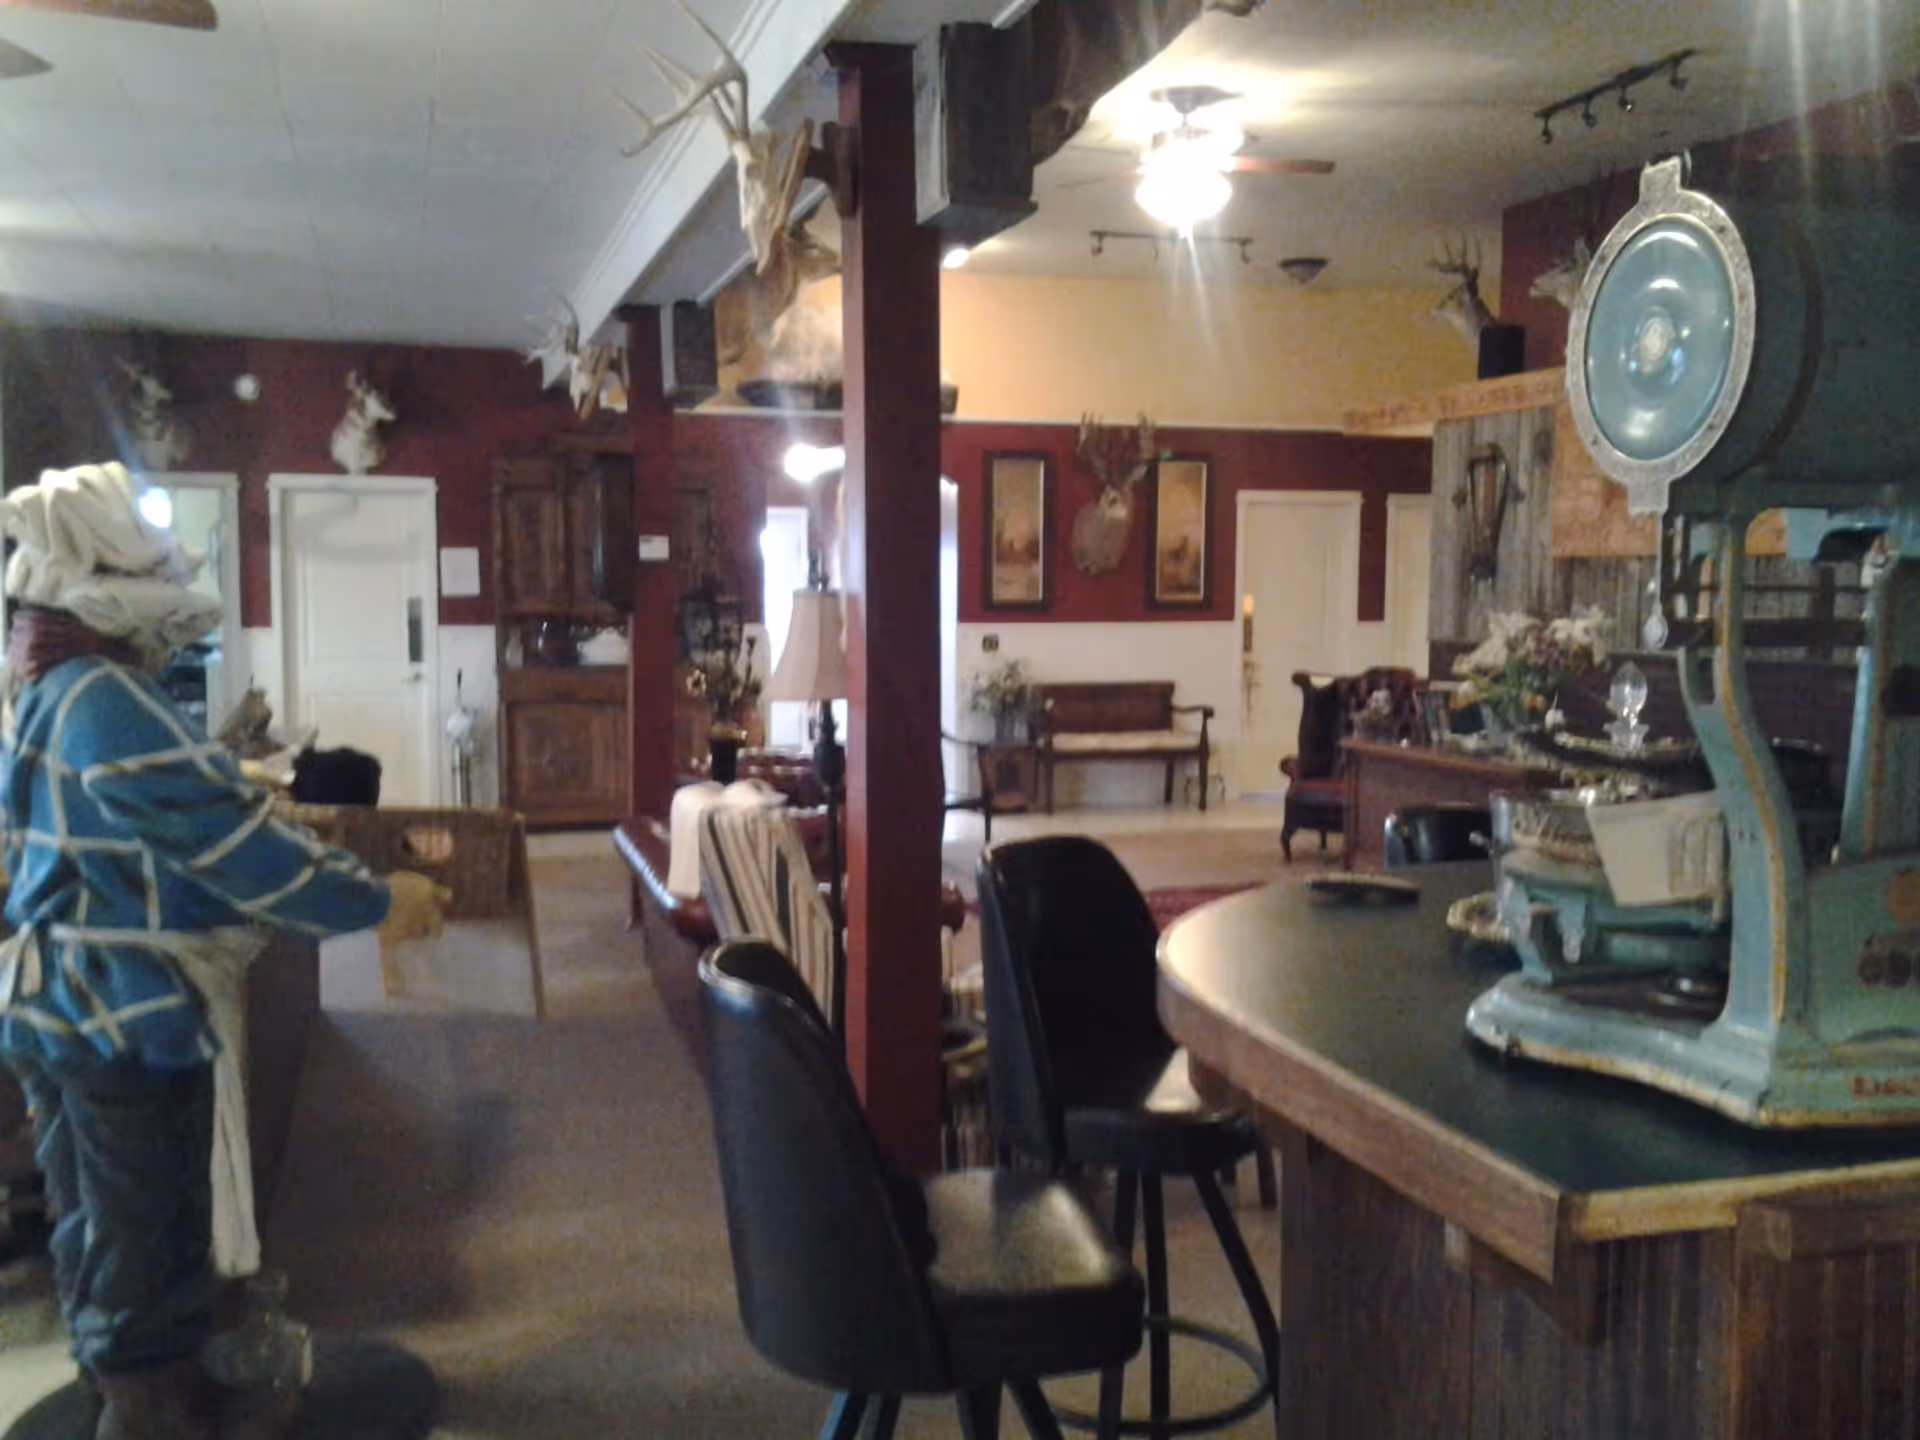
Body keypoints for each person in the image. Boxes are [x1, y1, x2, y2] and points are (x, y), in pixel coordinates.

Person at [0, 462, 445, 1440]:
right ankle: (150, 1413)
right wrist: (373, 900)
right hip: (121, 1015)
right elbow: (231, 848)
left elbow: (147, 853)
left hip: (59, 1007)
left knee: (95, 1218)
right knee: (145, 1223)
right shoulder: (105, 701)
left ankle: (128, 1386)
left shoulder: (45, 698)